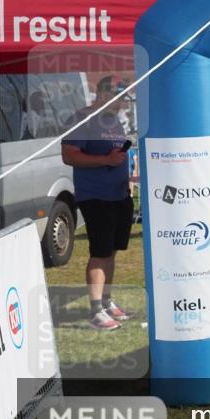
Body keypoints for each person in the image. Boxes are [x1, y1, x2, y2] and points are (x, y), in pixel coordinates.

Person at [61, 76, 134, 331]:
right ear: (103, 94)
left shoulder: (114, 121)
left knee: (112, 251)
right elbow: (69, 155)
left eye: (124, 97)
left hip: (119, 195)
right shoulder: (82, 118)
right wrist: (106, 160)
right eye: (119, 97)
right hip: (95, 196)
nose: (122, 103)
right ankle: (95, 311)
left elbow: (117, 155)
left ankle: (106, 301)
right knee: (100, 252)